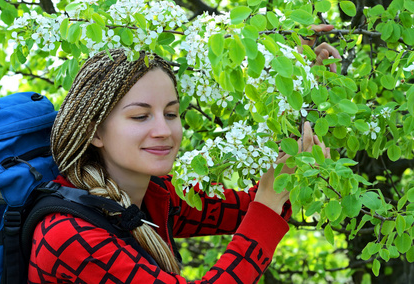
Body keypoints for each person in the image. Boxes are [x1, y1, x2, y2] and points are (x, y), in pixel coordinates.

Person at [27, 45, 331, 283]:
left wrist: (300, 83)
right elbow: (264, 206)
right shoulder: (69, 236)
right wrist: (268, 200)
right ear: (94, 131)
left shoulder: (157, 195)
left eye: (171, 114)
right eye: (140, 116)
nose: (164, 130)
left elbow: (255, 206)